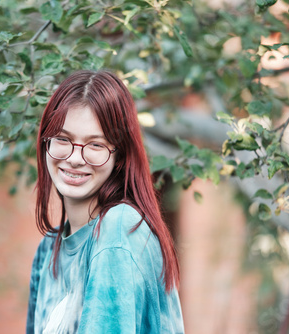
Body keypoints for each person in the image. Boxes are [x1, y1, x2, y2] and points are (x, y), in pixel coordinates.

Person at [26, 70, 185, 333]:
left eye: (96, 145)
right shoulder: (47, 252)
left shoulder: (119, 229)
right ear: (46, 143)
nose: (75, 158)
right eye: (63, 139)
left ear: (118, 155)